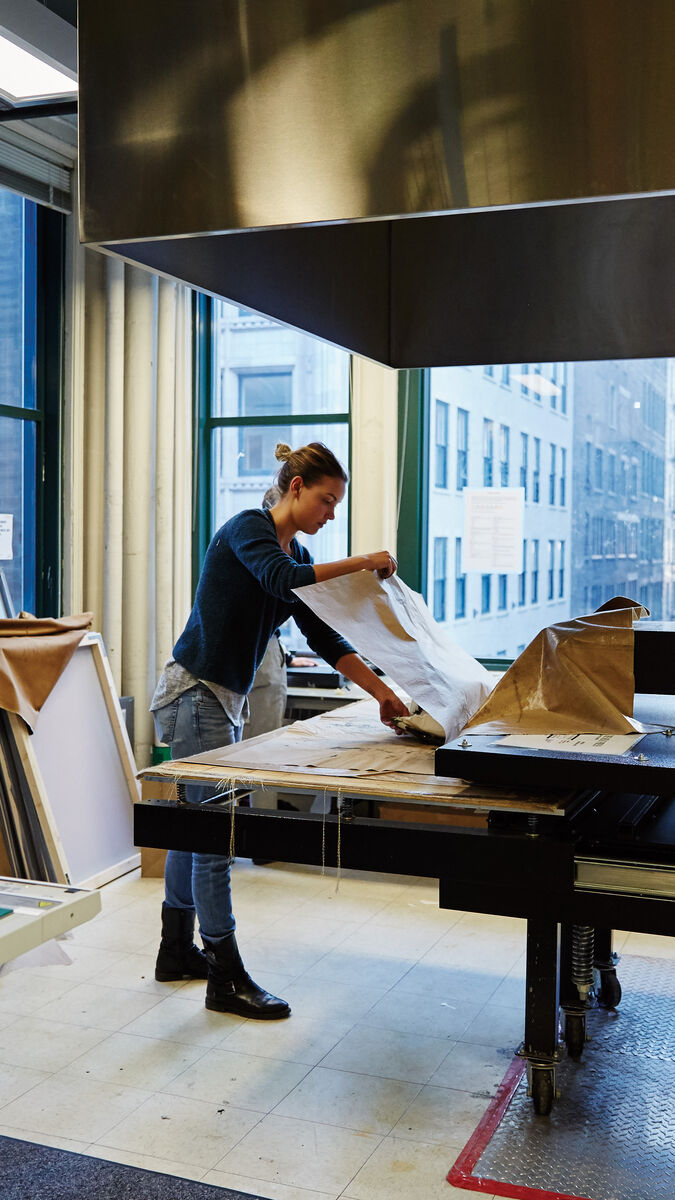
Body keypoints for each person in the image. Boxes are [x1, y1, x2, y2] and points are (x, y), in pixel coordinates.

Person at [150, 441, 408, 1021]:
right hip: (196, 695)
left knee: (193, 828)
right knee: (213, 839)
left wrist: (385, 694)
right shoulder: (249, 529)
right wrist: (362, 563)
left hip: (219, 698)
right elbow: (280, 576)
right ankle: (225, 975)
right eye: (326, 500)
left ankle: (174, 951)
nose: (330, 513)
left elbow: (327, 639)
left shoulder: (298, 552)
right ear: (296, 488)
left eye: (336, 504)